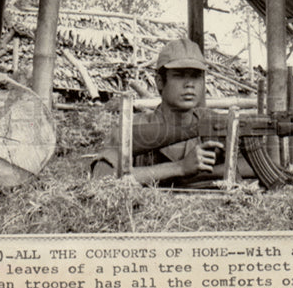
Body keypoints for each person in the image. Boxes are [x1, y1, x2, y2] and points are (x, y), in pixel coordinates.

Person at [91, 38, 250, 187]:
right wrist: (178, 168)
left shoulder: (216, 122)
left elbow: (253, 166)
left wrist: (198, 175)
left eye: (196, 76)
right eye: (179, 76)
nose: (189, 84)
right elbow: (102, 177)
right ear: (159, 82)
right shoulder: (134, 127)